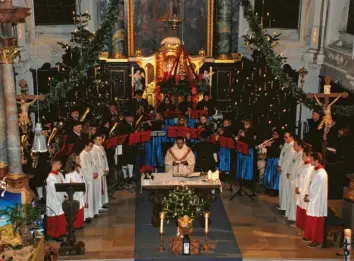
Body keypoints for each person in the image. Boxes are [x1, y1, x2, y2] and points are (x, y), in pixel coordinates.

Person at [303, 152, 328, 248]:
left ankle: (317, 240)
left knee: (316, 221)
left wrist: (309, 197)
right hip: (312, 199)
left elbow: (317, 189)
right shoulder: (314, 170)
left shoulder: (322, 173)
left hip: (317, 201)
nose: (310, 160)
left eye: (312, 159)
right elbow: (310, 184)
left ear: (317, 161)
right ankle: (311, 236)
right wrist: (306, 194)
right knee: (311, 219)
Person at [46, 156, 67, 241]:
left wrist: (65, 194)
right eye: (59, 164)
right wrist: (62, 198)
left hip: (60, 198)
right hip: (54, 200)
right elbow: (54, 191)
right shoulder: (51, 177)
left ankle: (61, 232)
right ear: (54, 164)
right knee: (55, 216)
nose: (61, 165)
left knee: (60, 215)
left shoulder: (59, 174)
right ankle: (55, 235)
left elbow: (64, 184)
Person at [286, 139, 305, 226]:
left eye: (295, 145)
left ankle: (295, 218)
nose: (293, 146)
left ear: (300, 146)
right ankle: (290, 215)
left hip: (296, 180)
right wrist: (289, 172)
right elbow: (292, 164)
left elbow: (299, 169)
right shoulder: (296, 154)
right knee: (291, 198)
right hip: (291, 179)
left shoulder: (302, 155)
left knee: (295, 200)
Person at [80, 140, 99, 222]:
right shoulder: (82, 155)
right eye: (90, 146)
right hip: (87, 179)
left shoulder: (88, 153)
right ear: (85, 145)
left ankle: (92, 213)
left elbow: (93, 164)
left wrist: (96, 172)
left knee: (92, 197)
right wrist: (91, 175)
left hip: (92, 178)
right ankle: (87, 215)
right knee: (87, 198)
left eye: (92, 146)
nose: (91, 147)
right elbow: (84, 169)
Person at [64, 153, 85, 230]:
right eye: (78, 159)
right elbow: (68, 182)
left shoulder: (77, 168)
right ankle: (75, 225)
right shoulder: (70, 171)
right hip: (75, 193)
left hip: (79, 191)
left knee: (80, 207)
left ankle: (79, 224)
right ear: (73, 160)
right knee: (76, 208)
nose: (80, 160)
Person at [295, 147, 314, 231]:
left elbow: (308, 181)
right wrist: (297, 186)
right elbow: (299, 177)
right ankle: (300, 226)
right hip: (300, 190)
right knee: (300, 207)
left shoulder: (310, 168)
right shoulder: (303, 165)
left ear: (308, 156)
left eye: (303, 155)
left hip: (304, 191)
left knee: (305, 210)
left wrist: (305, 192)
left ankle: (305, 228)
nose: (302, 157)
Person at [277, 131, 295, 212]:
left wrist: (283, 167)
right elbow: (282, 155)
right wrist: (279, 164)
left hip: (287, 170)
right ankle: (282, 205)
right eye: (284, 137)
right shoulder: (285, 144)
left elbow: (289, 161)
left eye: (286, 137)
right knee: (282, 188)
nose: (284, 139)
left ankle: (286, 207)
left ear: (291, 137)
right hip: (282, 169)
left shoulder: (293, 147)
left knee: (286, 189)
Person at [90, 134, 109, 210]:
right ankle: (98, 206)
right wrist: (101, 171)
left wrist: (107, 168)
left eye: (101, 139)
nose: (101, 141)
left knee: (103, 189)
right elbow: (95, 163)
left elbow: (104, 158)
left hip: (103, 171)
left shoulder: (101, 147)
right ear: (94, 140)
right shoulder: (93, 149)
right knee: (98, 190)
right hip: (98, 173)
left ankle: (102, 203)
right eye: (98, 140)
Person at [263, 128, 283, 195]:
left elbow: (279, 150)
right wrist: (265, 145)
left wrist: (271, 145)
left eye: (276, 134)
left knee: (274, 175)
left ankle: (275, 189)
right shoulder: (271, 140)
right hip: (269, 159)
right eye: (273, 134)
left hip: (275, 159)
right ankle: (268, 187)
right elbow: (267, 148)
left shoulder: (281, 141)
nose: (274, 136)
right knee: (268, 173)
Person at [117, 113, 136, 184]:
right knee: (124, 162)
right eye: (131, 117)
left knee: (131, 160)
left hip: (131, 146)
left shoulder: (133, 124)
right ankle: (125, 177)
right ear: (126, 118)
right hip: (124, 146)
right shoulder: (122, 126)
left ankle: (130, 176)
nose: (132, 118)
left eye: (132, 117)